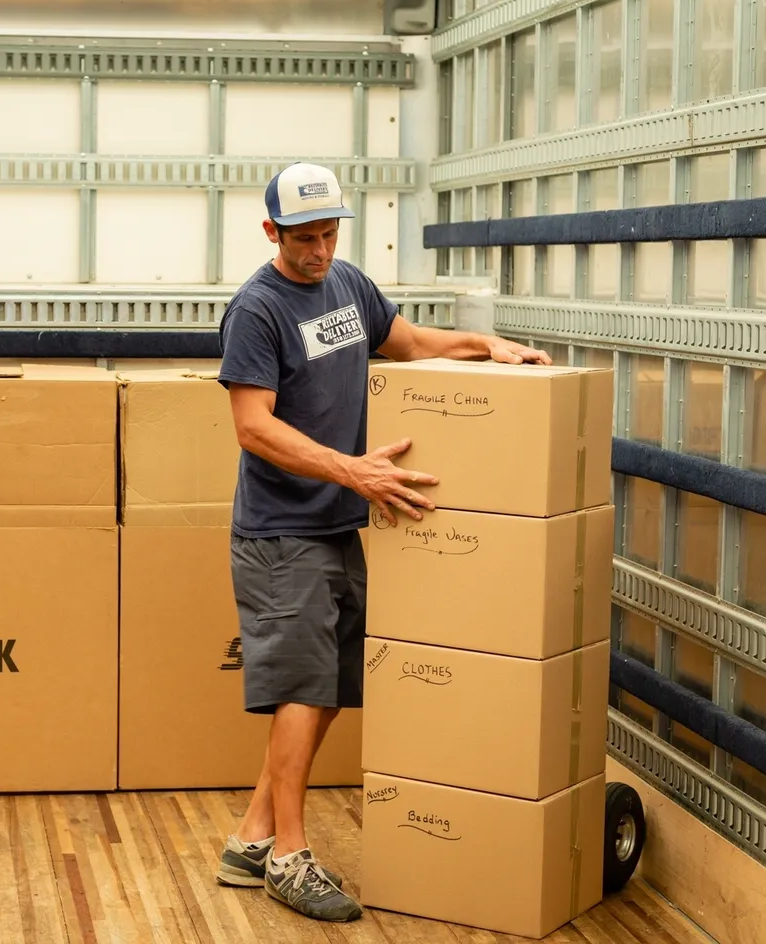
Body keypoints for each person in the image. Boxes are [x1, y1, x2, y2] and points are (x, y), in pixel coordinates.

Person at [211, 162, 551, 923]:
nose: (320, 251)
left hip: (342, 522)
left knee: (328, 687)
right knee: (301, 688)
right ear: (272, 233)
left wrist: (483, 346)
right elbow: (252, 426)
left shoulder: (349, 285)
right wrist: (352, 473)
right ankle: (290, 858)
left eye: (330, 234)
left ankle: (252, 837)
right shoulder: (257, 311)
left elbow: (410, 342)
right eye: (304, 239)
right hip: (282, 531)